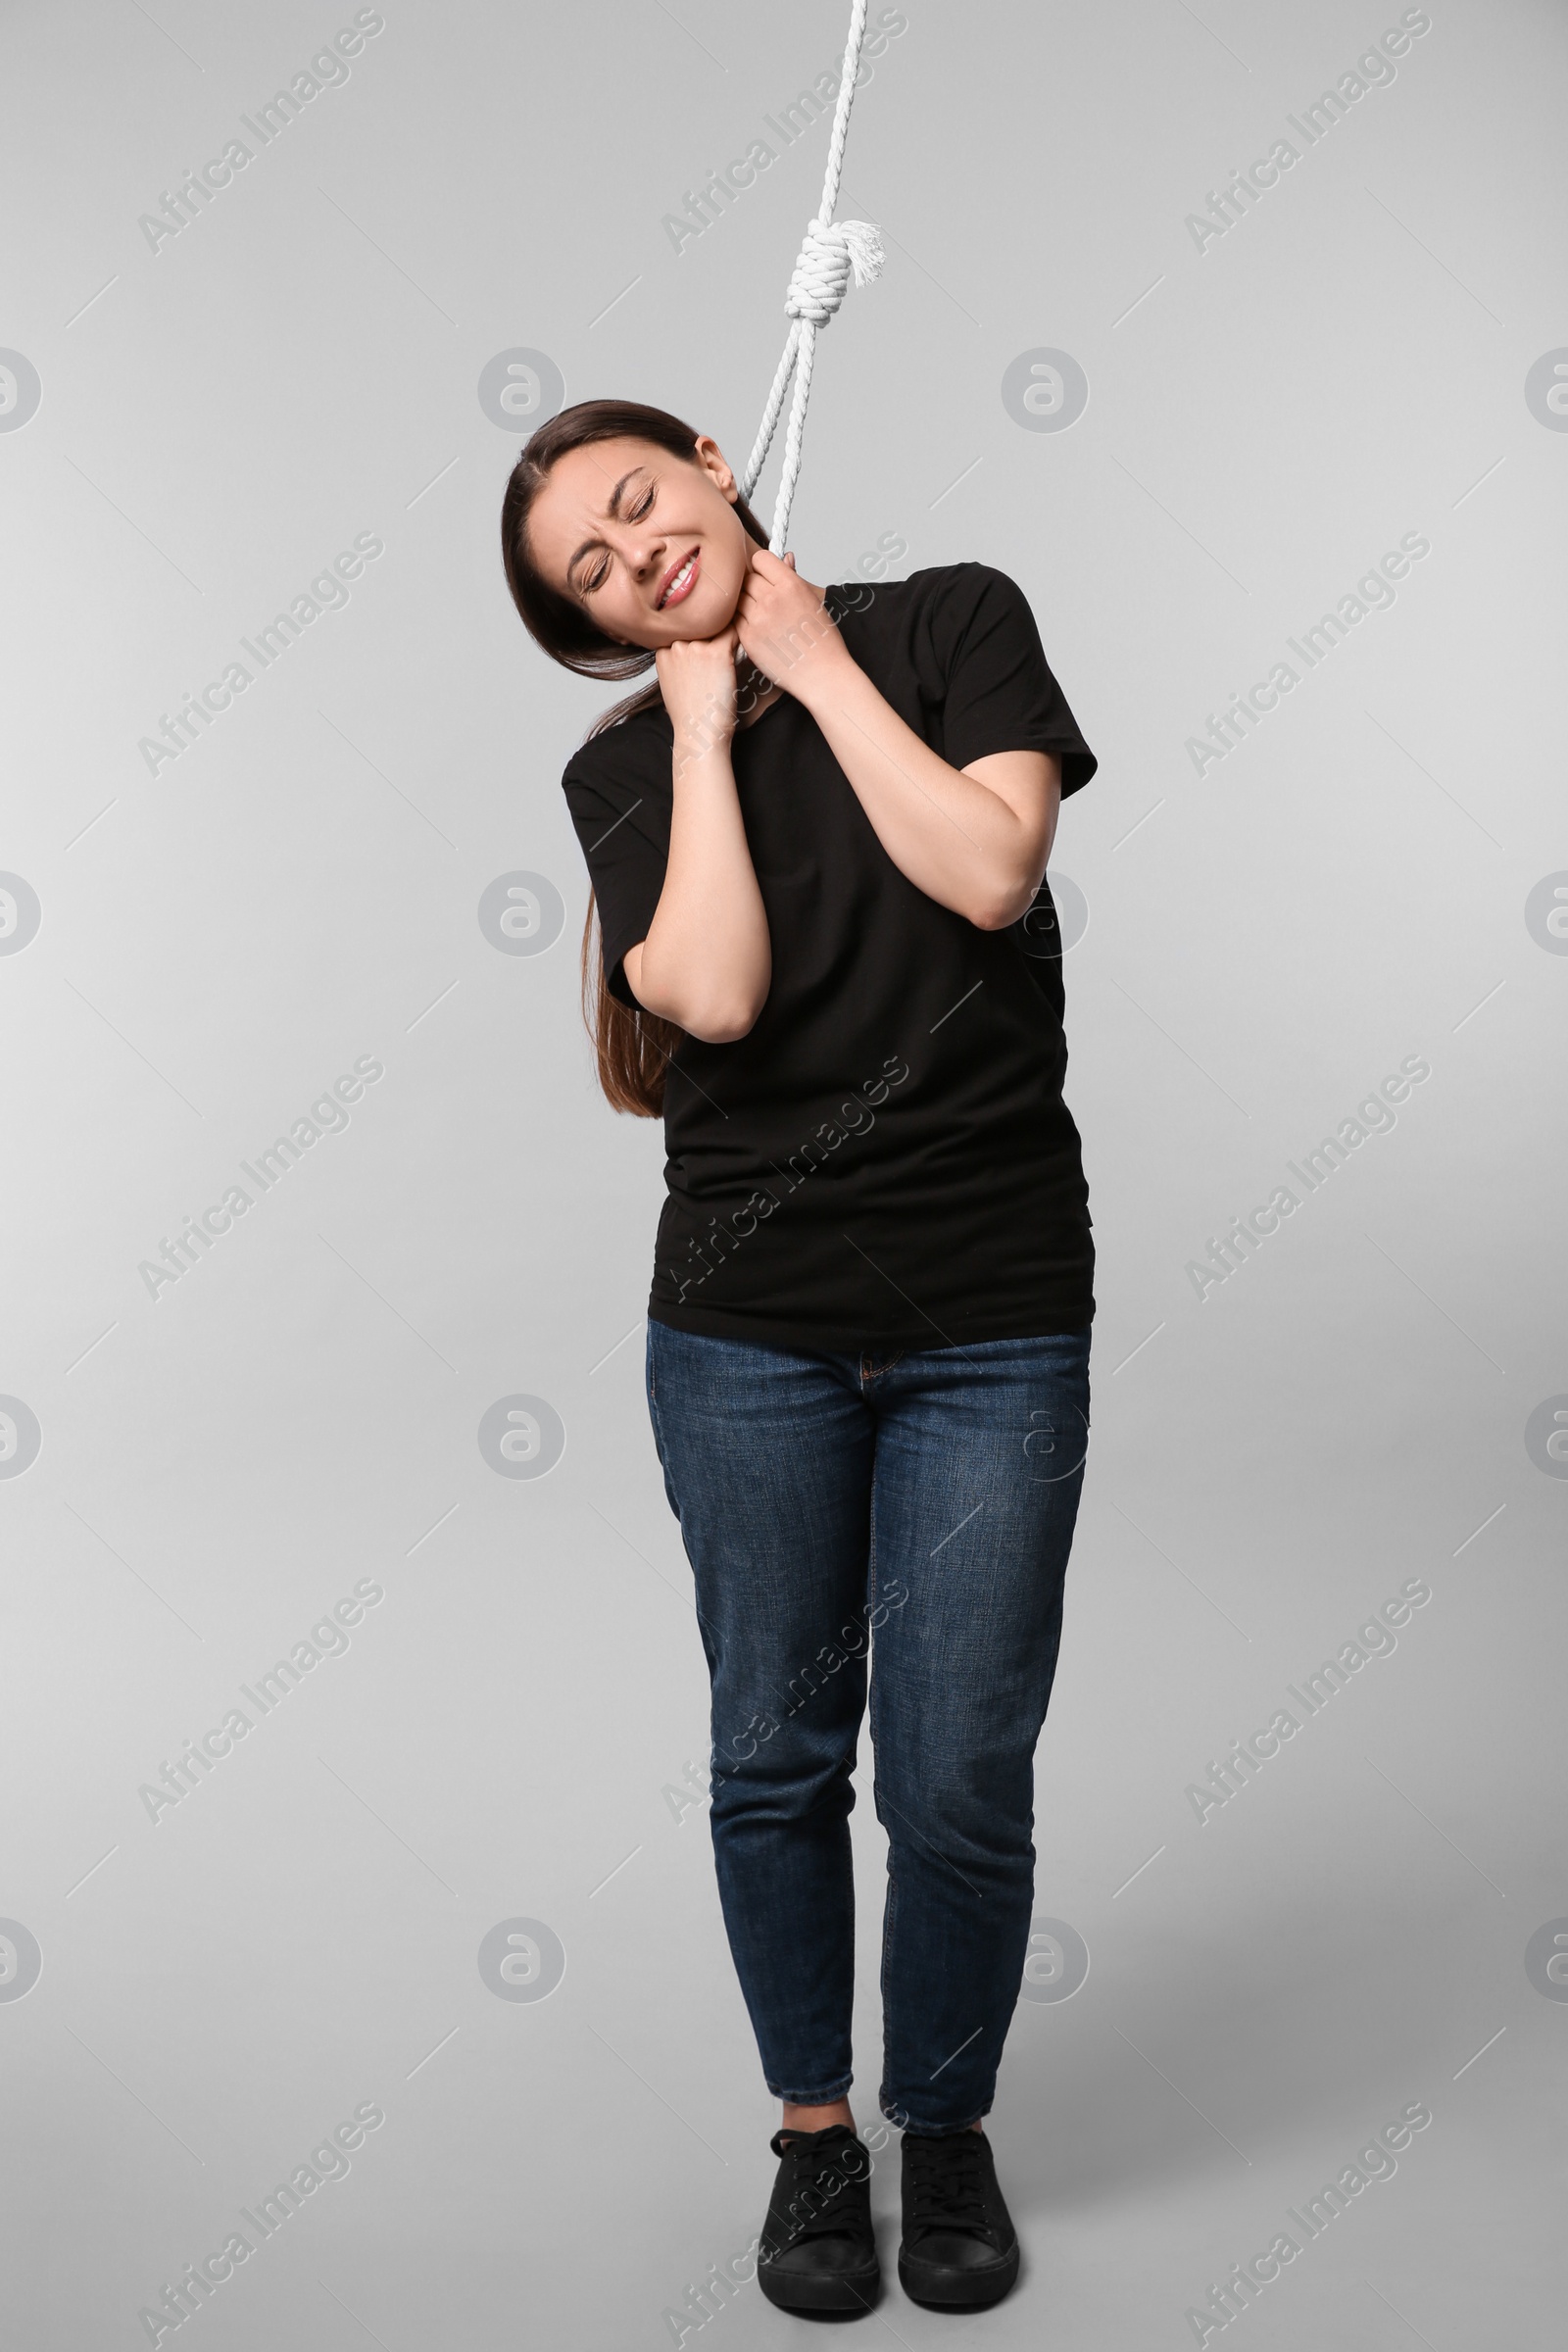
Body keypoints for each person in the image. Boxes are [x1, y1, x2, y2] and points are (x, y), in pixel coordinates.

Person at [502, 399, 1097, 2318]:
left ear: (704, 453)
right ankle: (813, 2147)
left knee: (957, 1782)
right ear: (595, 637)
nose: (631, 558)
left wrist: (811, 661)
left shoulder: (947, 627)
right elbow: (718, 992)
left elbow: (988, 871)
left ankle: (944, 2129)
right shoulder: (620, 771)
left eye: (630, 508)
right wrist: (691, 727)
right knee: (772, 1758)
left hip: (987, 1322)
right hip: (746, 1339)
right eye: (587, 578)